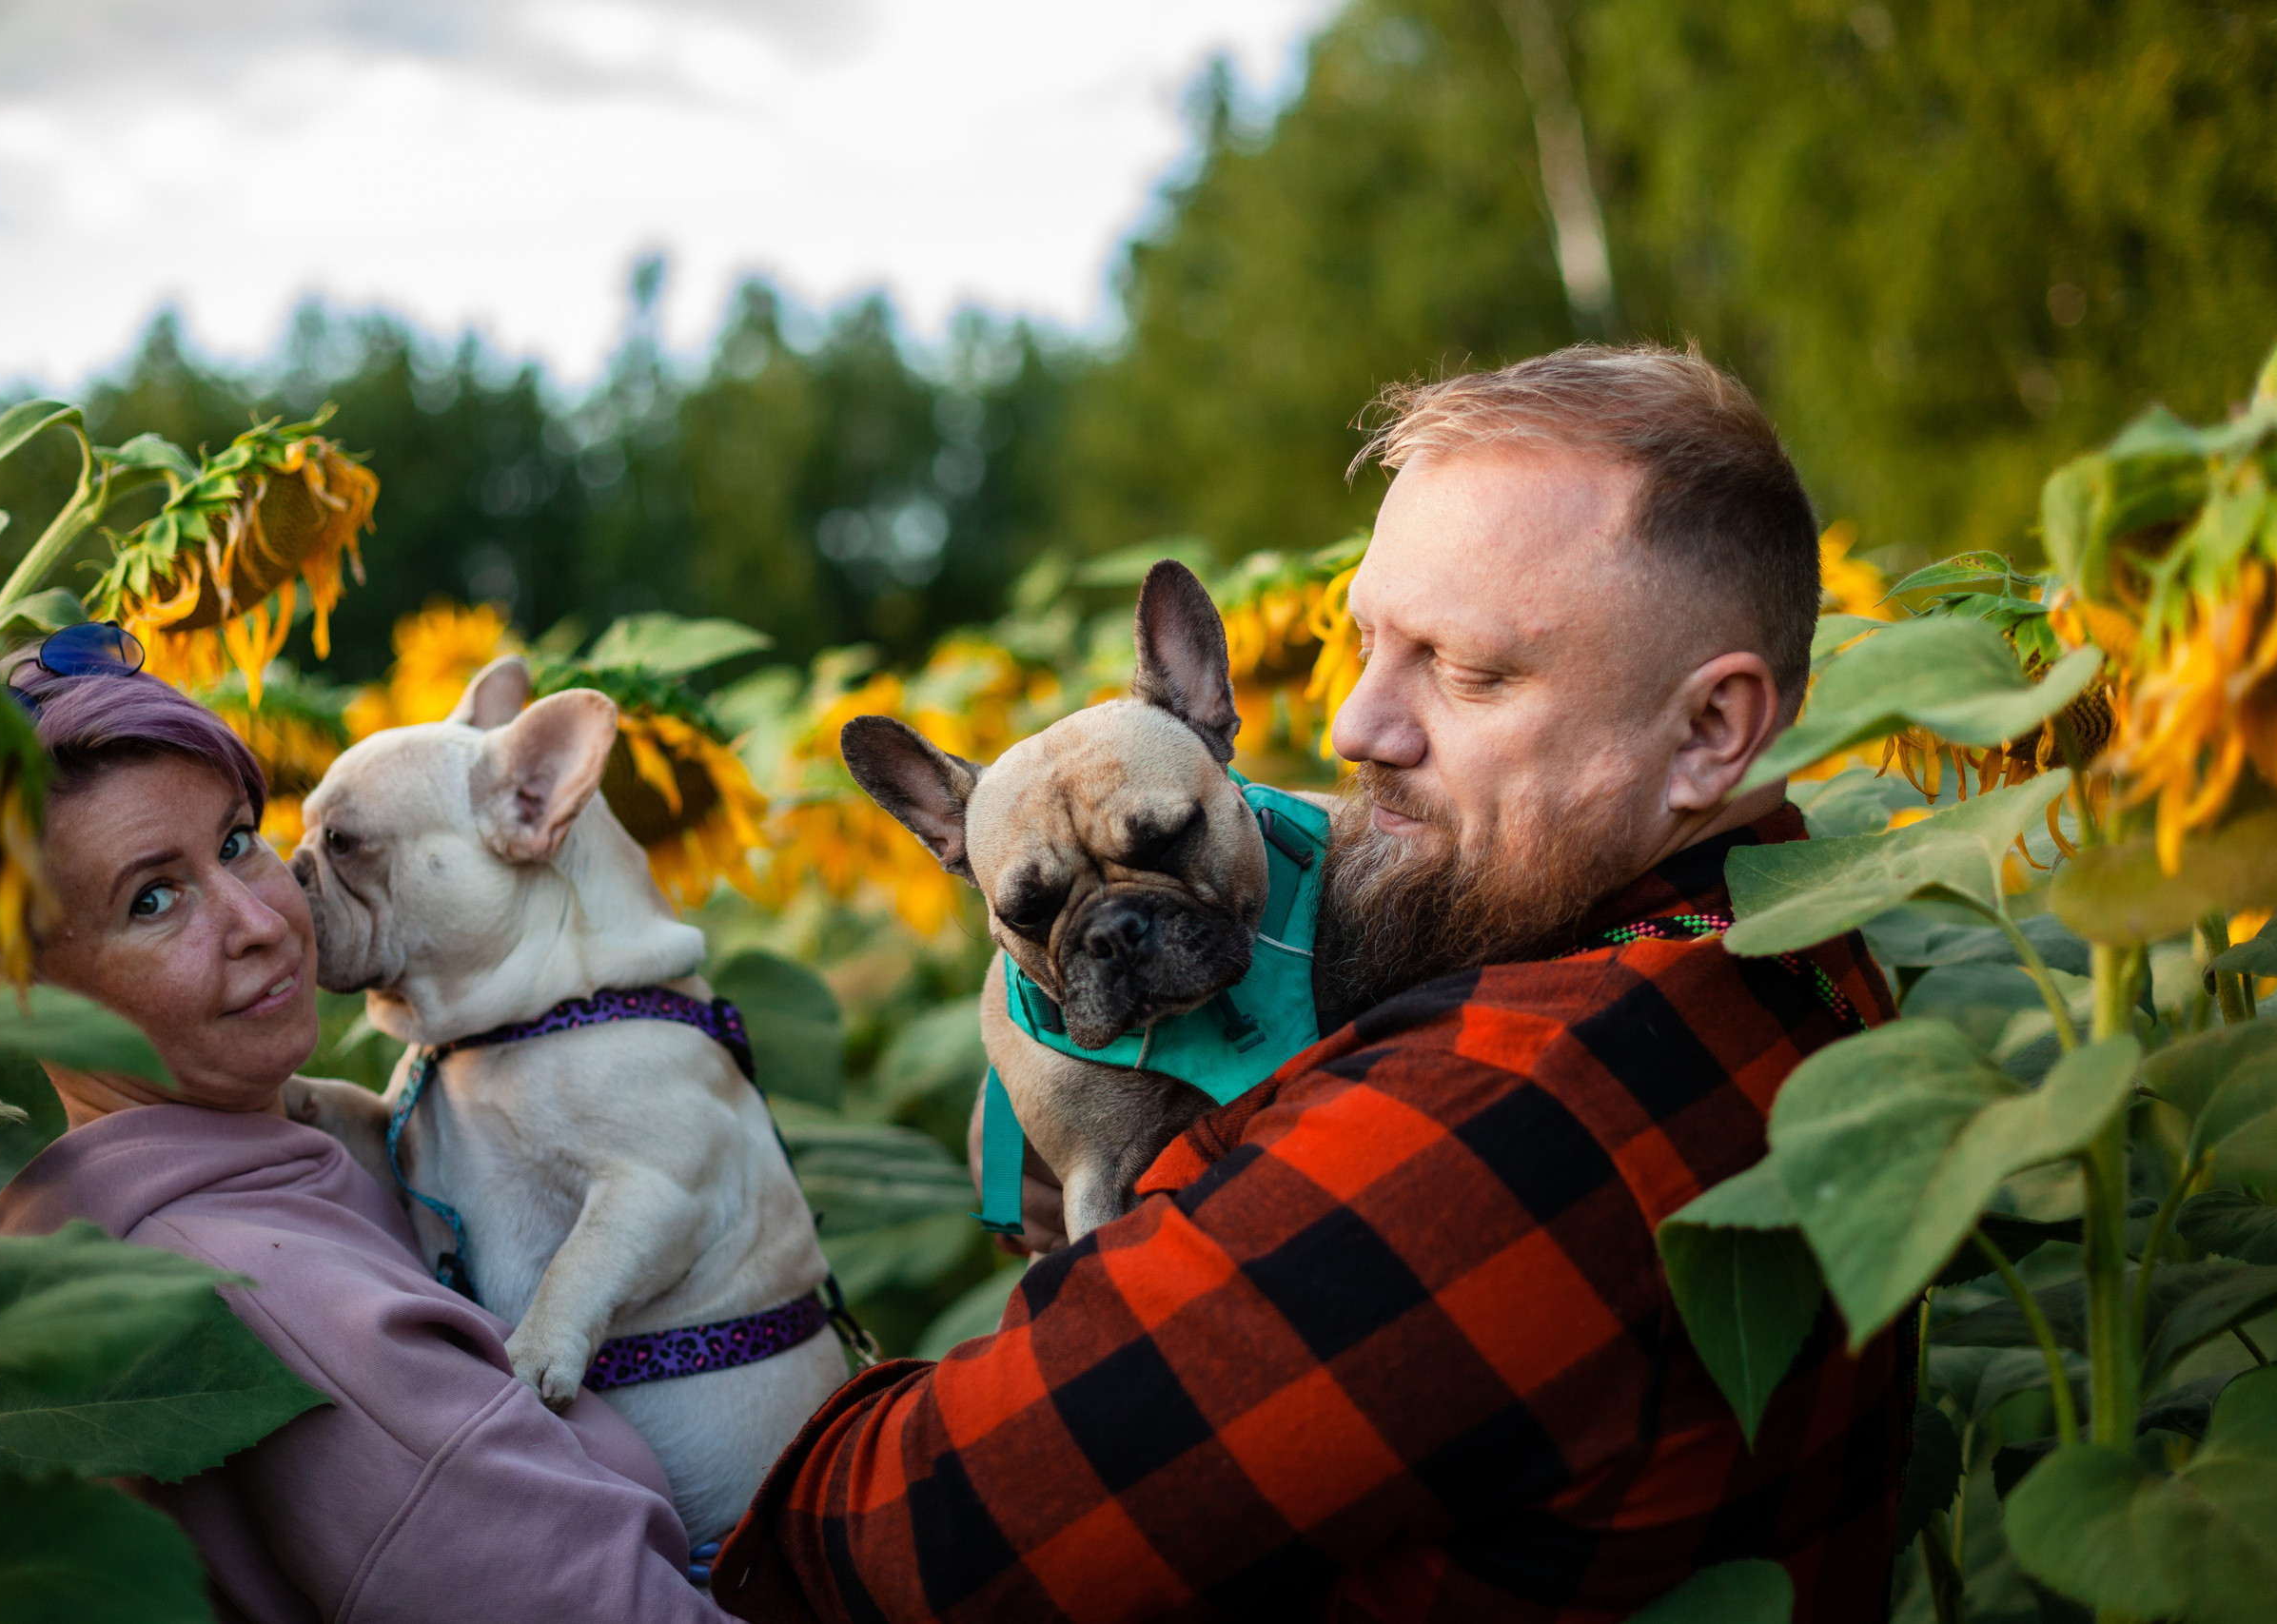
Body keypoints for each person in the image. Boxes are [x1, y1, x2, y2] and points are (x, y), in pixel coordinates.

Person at [709, 345, 1906, 1622]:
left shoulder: (1491, 1126)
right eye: (1365, 642)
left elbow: (892, 1539)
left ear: (1711, 730)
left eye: (1464, 668)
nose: (1351, 726)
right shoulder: (1804, 949)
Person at [0, 640, 730, 1624]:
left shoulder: (173, 1190)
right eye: (152, 899)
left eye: (238, 839)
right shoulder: (296, 1311)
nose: (264, 919)